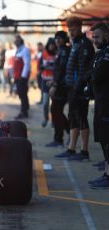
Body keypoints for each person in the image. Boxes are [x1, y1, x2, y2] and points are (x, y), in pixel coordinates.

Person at [55, 17, 95, 160]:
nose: (71, 32)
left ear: (79, 27)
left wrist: (78, 87)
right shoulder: (76, 44)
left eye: (73, 29)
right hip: (72, 88)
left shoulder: (84, 44)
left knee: (81, 117)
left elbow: (84, 70)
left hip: (79, 89)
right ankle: (71, 148)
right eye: (69, 30)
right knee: (73, 117)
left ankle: (84, 151)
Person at [87, 23, 109, 189]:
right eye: (93, 37)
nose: (94, 40)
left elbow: (98, 75)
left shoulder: (106, 54)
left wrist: (91, 79)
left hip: (107, 103)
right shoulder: (100, 54)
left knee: (107, 140)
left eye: (97, 37)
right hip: (101, 101)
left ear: (106, 37)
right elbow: (91, 73)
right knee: (103, 139)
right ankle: (107, 173)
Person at [47, 31, 70, 147]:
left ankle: (60, 137)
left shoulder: (64, 51)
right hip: (59, 85)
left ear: (64, 39)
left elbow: (62, 71)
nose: (57, 40)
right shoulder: (60, 51)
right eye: (56, 38)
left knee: (56, 111)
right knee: (56, 111)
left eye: (60, 38)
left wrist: (55, 85)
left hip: (62, 87)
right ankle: (62, 135)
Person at [39, 38, 57, 127]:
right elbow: (39, 66)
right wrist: (43, 66)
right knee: (45, 103)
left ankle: (53, 120)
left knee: (54, 103)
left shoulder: (58, 53)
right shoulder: (44, 53)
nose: (52, 46)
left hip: (54, 82)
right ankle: (45, 118)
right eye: (50, 44)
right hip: (45, 81)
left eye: (53, 44)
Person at [13, 34, 31, 119]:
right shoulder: (18, 50)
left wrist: (23, 77)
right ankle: (25, 109)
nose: (15, 42)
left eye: (16, 40)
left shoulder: (25, 50)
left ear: (20, 41)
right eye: (15, 40)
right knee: (21, 94)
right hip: (17, 76)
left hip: (21, 77)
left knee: (22, 94)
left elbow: (27, 64)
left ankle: (24, 112)